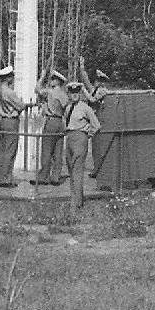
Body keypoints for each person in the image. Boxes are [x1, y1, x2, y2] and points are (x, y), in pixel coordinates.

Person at [64, 78, 101, 211]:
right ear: (69, 94)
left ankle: (77, 203)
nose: (74, 95)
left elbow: (96, 125)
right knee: (71, 169)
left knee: (77, 170)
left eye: (77, 92)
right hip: (69, 138)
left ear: (80, 93)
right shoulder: (68, 107)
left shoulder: (85, 108)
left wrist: (87, 135)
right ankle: (74, 198)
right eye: (72, 92)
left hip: (80, 138)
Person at [0, 64, 26, 187]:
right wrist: (22, 103)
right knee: (10, 150)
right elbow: (21, 106)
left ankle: (1, 177)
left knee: (3, 150)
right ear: (8, 78)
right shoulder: (10, 92)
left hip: (3, 121)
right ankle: (6, 179)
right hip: (11, 121)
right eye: (11, 76)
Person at [35, 68, 69, 185]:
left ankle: (43, 177)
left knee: (47, 150)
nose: (50, 81)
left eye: (52, 79)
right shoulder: (64, 94)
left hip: (51, 122)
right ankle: (56, 177)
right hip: (60, 122)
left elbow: (37, 89)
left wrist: (42, 76)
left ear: (57, 81)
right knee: (58, 152)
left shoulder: (50, 92)